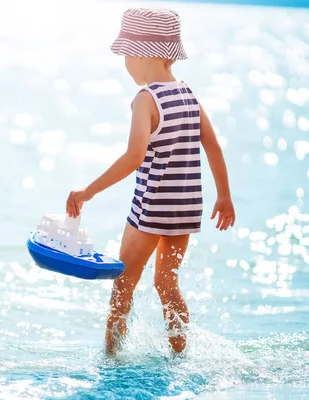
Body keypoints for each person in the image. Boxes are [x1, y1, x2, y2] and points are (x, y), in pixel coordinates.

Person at [65, 8, 236, 355]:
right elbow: (213, 145)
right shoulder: (189, 94)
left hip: (152, 207)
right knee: (166, 283)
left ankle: (111, 358)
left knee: (123, 283)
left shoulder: (147, 99)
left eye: (127, 53)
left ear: (144, 52)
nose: (125, 62)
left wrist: (88, 191)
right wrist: (224, 197)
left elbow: (134, 157)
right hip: (185, 210)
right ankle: (179, 353)